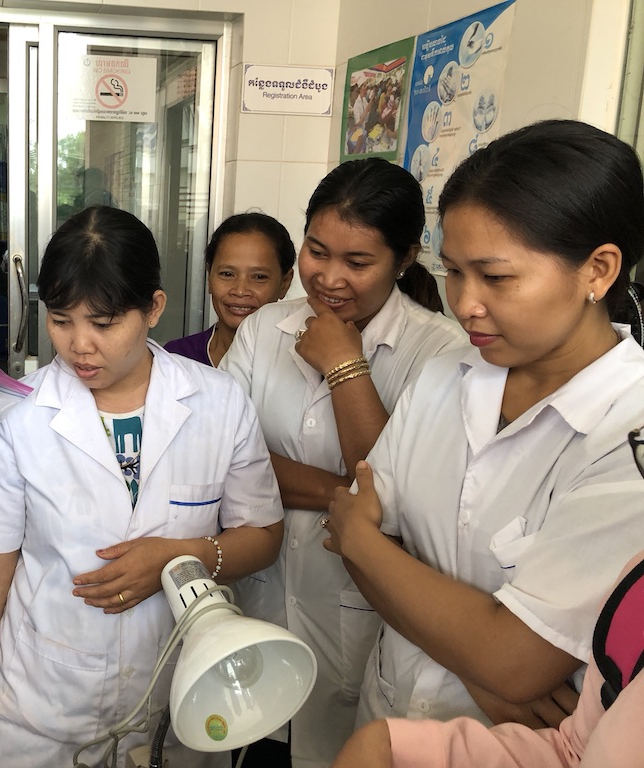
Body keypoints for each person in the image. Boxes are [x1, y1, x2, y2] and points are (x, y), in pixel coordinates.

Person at [0, 205, 285, 768]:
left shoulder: (218, 403)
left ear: (153, 308)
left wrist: (180, 555)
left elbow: (262, 536)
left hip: (178, 695)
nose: (80, 345)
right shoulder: (20, 416)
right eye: (61, 320)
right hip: (42, 704)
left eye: (104, 323)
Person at [322, 120, 644, 737]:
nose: (465, 304)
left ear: (598, 270)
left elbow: (515, 661)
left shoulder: (627, 433)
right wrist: (476, 655)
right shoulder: (445, 377)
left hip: (512, 744)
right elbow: (353, 537)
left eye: (495, 277)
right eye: (453, 272)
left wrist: (367, 543)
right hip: (388, 711)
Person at [220, 157, 466, 768]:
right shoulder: (265, 328)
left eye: (358, 262)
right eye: (316, 251)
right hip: (256, 605)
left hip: (359, 627)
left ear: (405, 259)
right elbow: (225, 460)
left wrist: (344, 366)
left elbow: (394, 501)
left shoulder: (441, 351)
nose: (328, 278)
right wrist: (346, 496)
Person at [331, 548, 644, 768]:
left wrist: (363, 540)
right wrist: (395, 748)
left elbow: (512, 663)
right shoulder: (636, 589)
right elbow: (575, 751)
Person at [164, 212, 295, 367]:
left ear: (284, 283)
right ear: (209, 277)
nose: (240, 291)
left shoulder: (300, 362)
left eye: (259, 277)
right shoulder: (176, 358)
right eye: (227, 274)